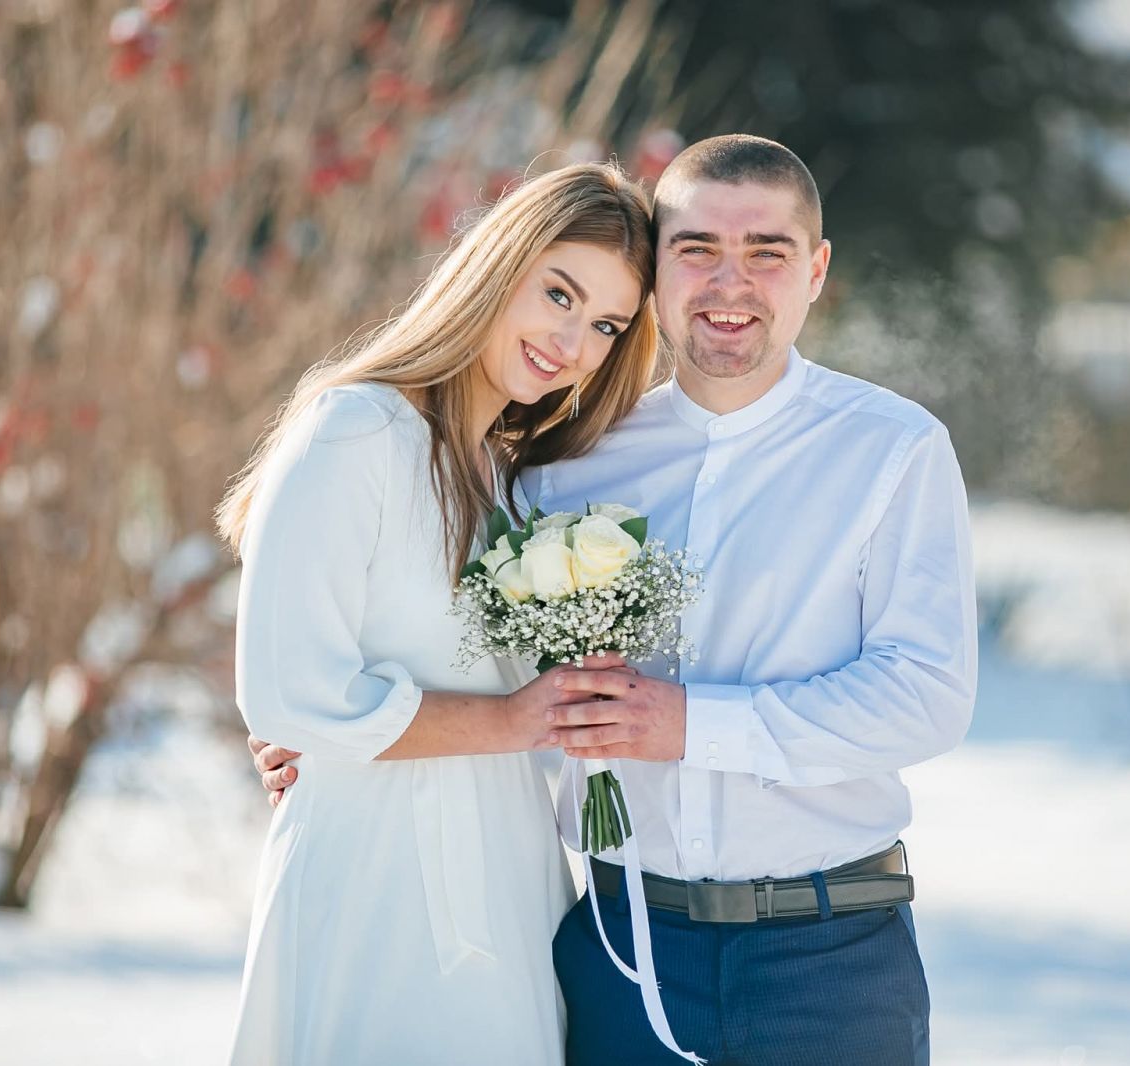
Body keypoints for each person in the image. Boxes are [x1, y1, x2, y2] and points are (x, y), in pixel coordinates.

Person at [254, 135, 977, 1065]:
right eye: (697, 249)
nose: (730, 282)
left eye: (767, 251)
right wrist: (328, 726)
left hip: (827, 954)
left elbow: (924, 694)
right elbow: (481, 652)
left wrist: (690, 725)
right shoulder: (561, 463)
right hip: (613, 946)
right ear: (658, 275)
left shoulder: (893, 449)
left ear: (816, 269)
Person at [218, 162, 659, 1066]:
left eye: (606, 326)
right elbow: (288, 693)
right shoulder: (358, 430)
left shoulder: (506, 476)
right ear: (499, 266)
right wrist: (510, 720)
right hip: (379, 874)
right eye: (560, 294)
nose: (572, 342)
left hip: (509, 867)